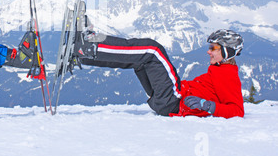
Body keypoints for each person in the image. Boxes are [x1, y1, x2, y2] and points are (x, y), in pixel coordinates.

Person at [72, 12, 245, 119]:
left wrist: (207, 105)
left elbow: (237, 110)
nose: (209, 51)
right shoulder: (219, 70)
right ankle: (83, 57)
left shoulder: (229, 74)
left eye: (213, 48)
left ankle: (90, 44)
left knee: (152, 50)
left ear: (227, 51)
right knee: (138, 60)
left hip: (175, 102)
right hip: (168, 102)